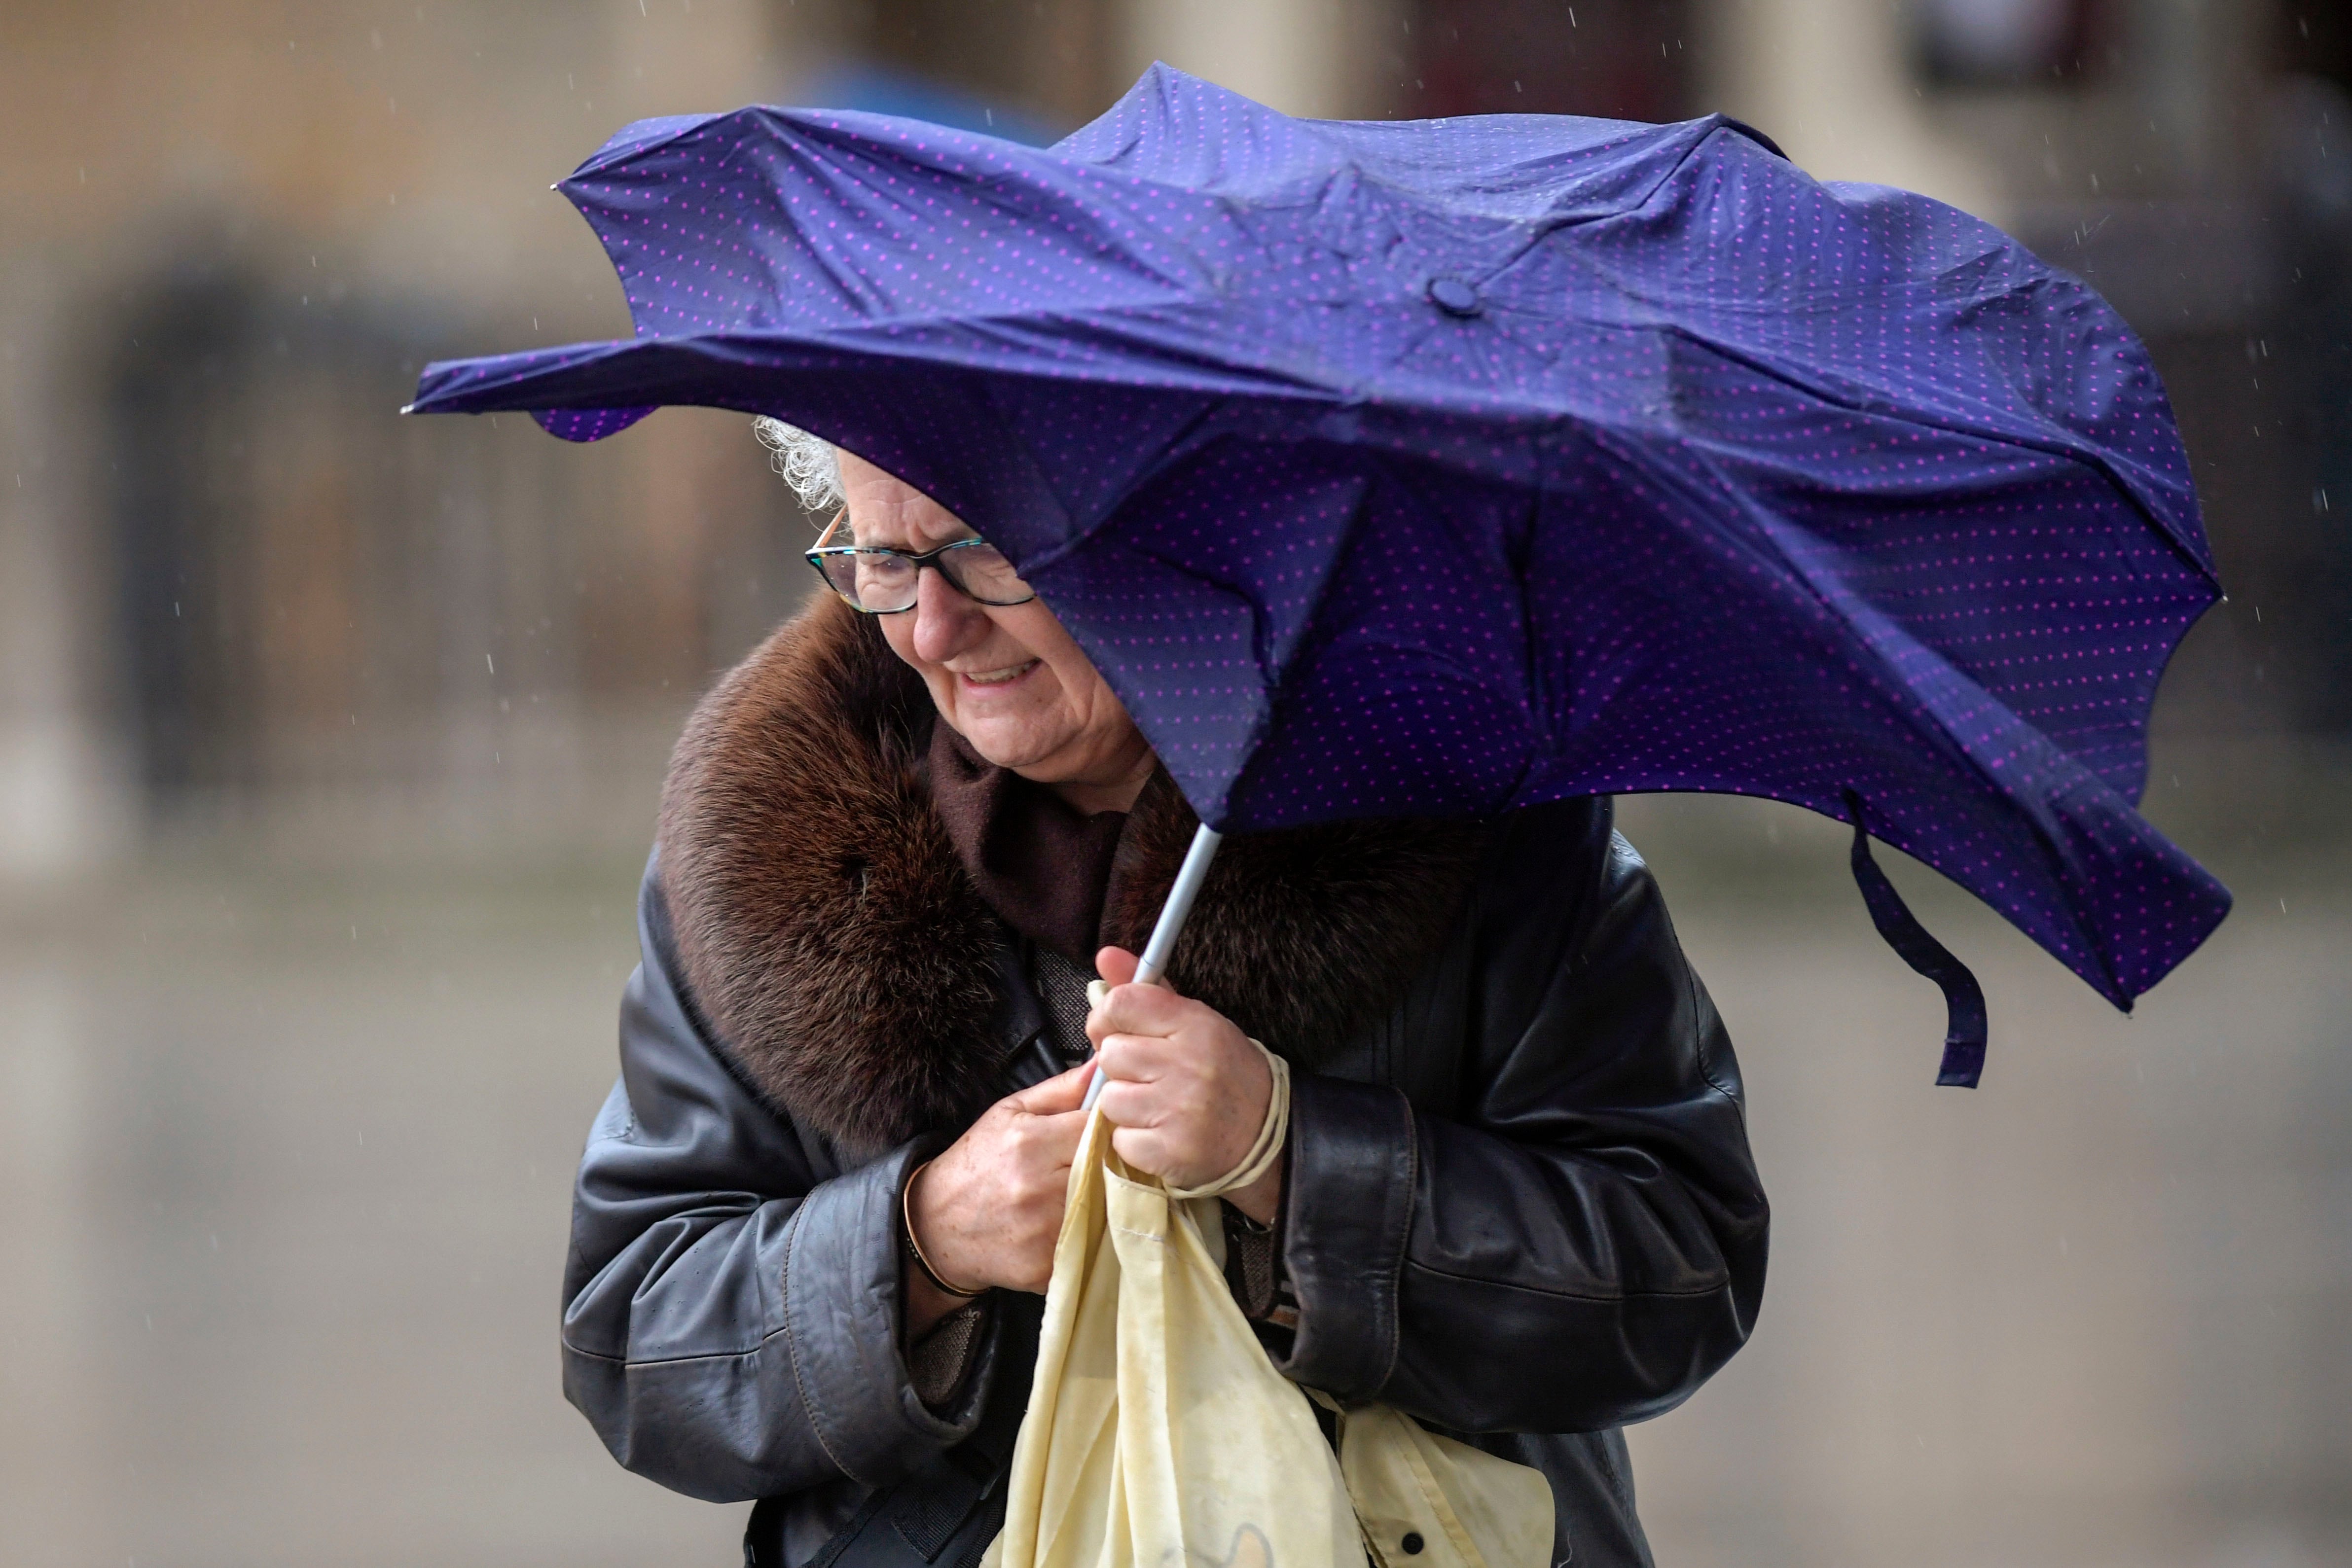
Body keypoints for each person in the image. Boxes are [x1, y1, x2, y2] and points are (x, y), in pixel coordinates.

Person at [561, 423, 1770, 1568]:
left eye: (985, 549)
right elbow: (636, 1338)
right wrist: (926, 1239)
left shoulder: (1476, 810)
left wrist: (1292, 1162)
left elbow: (1677, 1272)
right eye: (882, 558)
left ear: (1166, 520)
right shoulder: (758, 850)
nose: (932, 629)